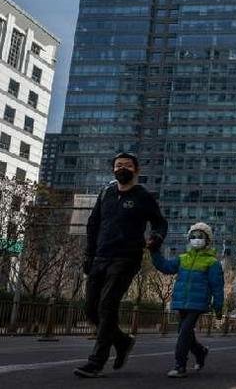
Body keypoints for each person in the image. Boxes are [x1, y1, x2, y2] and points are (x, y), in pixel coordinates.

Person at [74, 152, 168, 378]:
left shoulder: (143, 196)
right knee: (91, 309)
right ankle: (122, 341)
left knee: (107, 305)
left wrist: (155, 238)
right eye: (118, 166)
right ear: (113, 170)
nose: (121, 169)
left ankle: (96, 362)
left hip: (126, 258)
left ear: (136, 170)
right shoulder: (106, 193)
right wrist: (89, 254)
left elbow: (159, 222)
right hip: (100, 257)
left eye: (126, 165)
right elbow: (93, 224)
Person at [148, 222, 224, 378]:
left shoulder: (212, 263)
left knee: (184, 331)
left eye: (200, 237)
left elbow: (217, 286)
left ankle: (180, 365)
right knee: (185, 332)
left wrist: (218, 306)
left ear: (207, 240)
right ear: (189, 239)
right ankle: (200, 352)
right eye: (193, 236)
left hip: (198, 303)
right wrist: (154, 251)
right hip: (181, 301)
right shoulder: (182, 259)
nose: (196, 239)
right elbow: (165, 267)